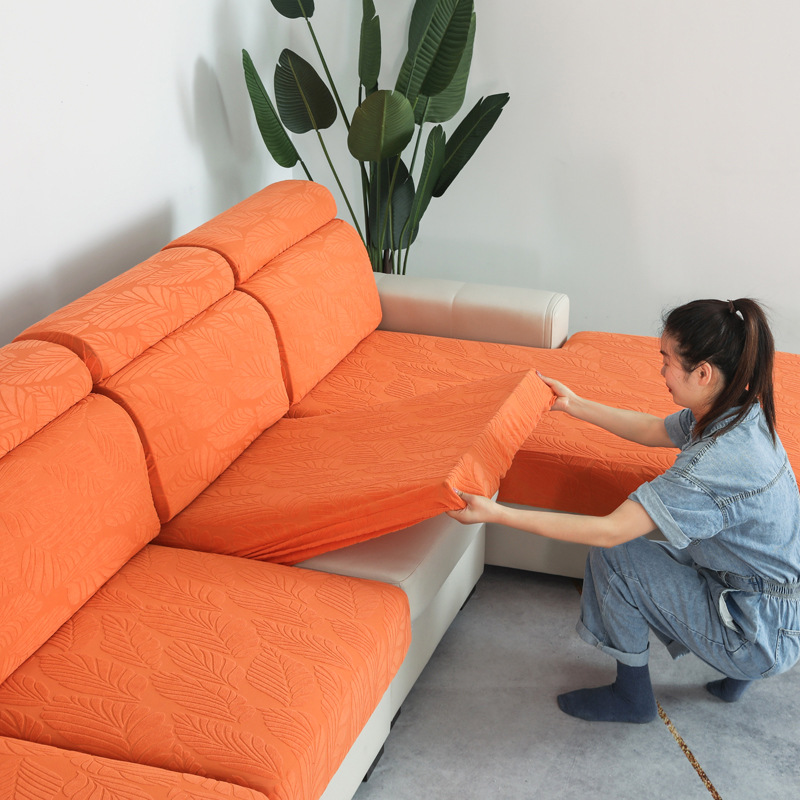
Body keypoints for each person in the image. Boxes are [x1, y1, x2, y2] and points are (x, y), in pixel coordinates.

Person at [447, 298, 800, 723]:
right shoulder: (740, 411)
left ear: (703, 373)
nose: (661, 372)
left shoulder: (713, 465)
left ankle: (633, 698)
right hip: (776, 608)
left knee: (615, 556)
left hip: (759, 634)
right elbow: (654, 429)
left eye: (667, 361)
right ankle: (739, 674)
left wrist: (496, 513)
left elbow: (610, 532)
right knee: (696, 542)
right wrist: (573, 404)